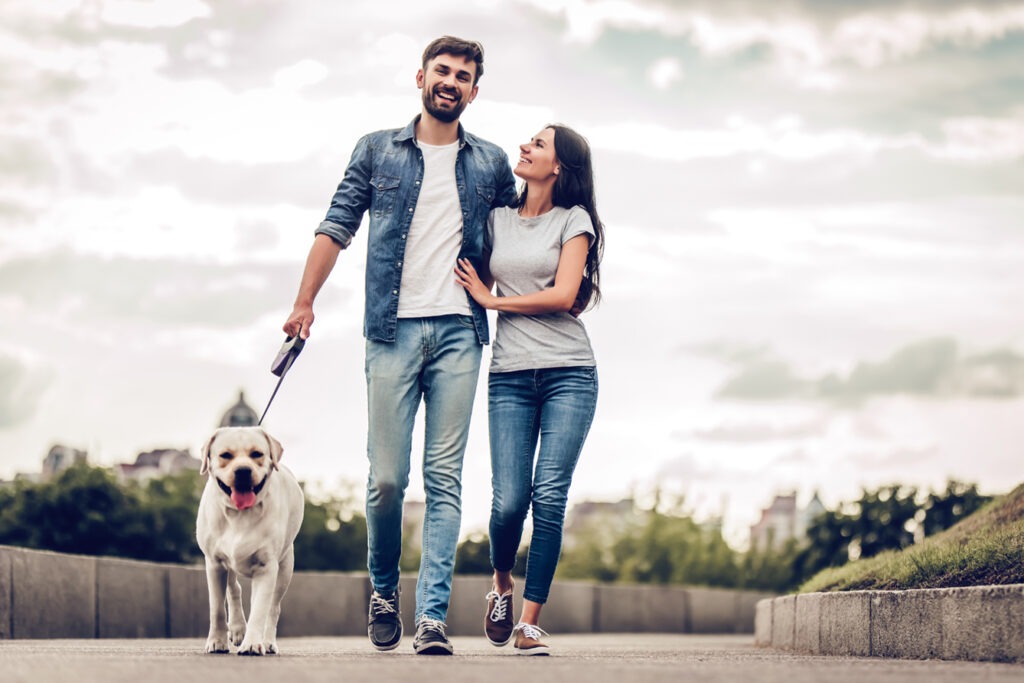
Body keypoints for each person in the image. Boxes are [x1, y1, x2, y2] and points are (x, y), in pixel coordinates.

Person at [283, 35, 516, 656]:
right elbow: (336, 226)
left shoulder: (491, 163)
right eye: (442, 70)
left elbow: (517, 239)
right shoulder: (375, 150)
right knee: (387, 479)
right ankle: (384, 591)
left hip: (460, 334)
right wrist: (304, 301)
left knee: (445, 479)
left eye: (463, 75)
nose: (452, 81)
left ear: (474, 89)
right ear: (420, 78)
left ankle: (433, 617)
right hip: (389, 331)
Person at [453, 124, 604, 655]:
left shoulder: (574, 220)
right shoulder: (497, 220)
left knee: (550, 498)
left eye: (538, 144)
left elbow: (564, 295)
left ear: (558, 166)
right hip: (510, 376)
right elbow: (474, 276)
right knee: (509, 501)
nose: (525, 147)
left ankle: (530, 622)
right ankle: (500, 588)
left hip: (569, 372)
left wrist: (493, 304)